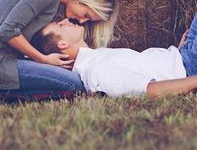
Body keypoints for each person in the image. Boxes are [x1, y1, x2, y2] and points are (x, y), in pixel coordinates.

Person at [0, 0, 118, 103]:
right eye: (86, 15)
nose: (82, 21)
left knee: (71, 80)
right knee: (75, 83)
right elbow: (7, 31)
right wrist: (43, 60)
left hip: (0, 59)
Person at [30, 14, 197, 98]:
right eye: (60, 25)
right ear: (62, 44)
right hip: (189, 67)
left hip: (182, 54)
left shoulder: (94, 57)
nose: (66, 20)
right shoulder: (97, 72)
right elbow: (152, 91)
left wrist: (176, 52)